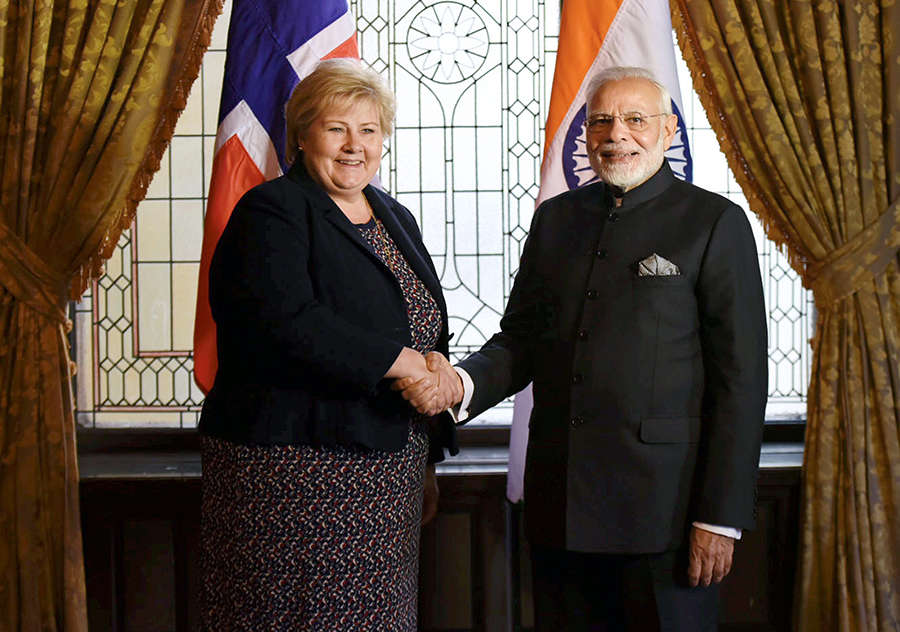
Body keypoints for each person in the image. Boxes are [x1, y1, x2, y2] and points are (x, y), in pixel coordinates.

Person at [398, 66, 768, 631]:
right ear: (586, 136)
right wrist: (461, 384)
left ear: (669, 131)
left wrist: (720, 518)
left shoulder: (715, 222)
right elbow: (522, 341)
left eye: (635, 120)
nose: (616, 133)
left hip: (666, 517)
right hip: (561, 509)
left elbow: (741, 382)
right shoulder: (556, 219)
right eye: (601, 121)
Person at [198, 58, 458, 631]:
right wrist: (410, 363)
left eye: (368, 130)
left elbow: (421, 322)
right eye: (336, 128)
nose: (353, 146)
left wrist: (430, 451)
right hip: (292, 470)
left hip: (388, 470)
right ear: (301, 135)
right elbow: (287, 322)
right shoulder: (272, 210)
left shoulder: (394, 215)